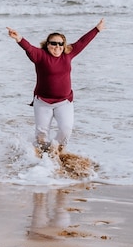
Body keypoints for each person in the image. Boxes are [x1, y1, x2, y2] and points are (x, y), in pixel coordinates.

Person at [6, 18, 105, 156]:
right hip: (43, 102)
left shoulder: (68, 54)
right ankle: (41, 156)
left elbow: (82, 42)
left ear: (64, 45)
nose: (57, 47)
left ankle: (56, 150)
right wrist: (19, 38)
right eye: (53, 43)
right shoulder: (40, 56)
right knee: (41, 133)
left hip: (64, 102)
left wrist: (97, 29)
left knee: (66, 130)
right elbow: (29, 48)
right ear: (47, 44)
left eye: (60, 44)